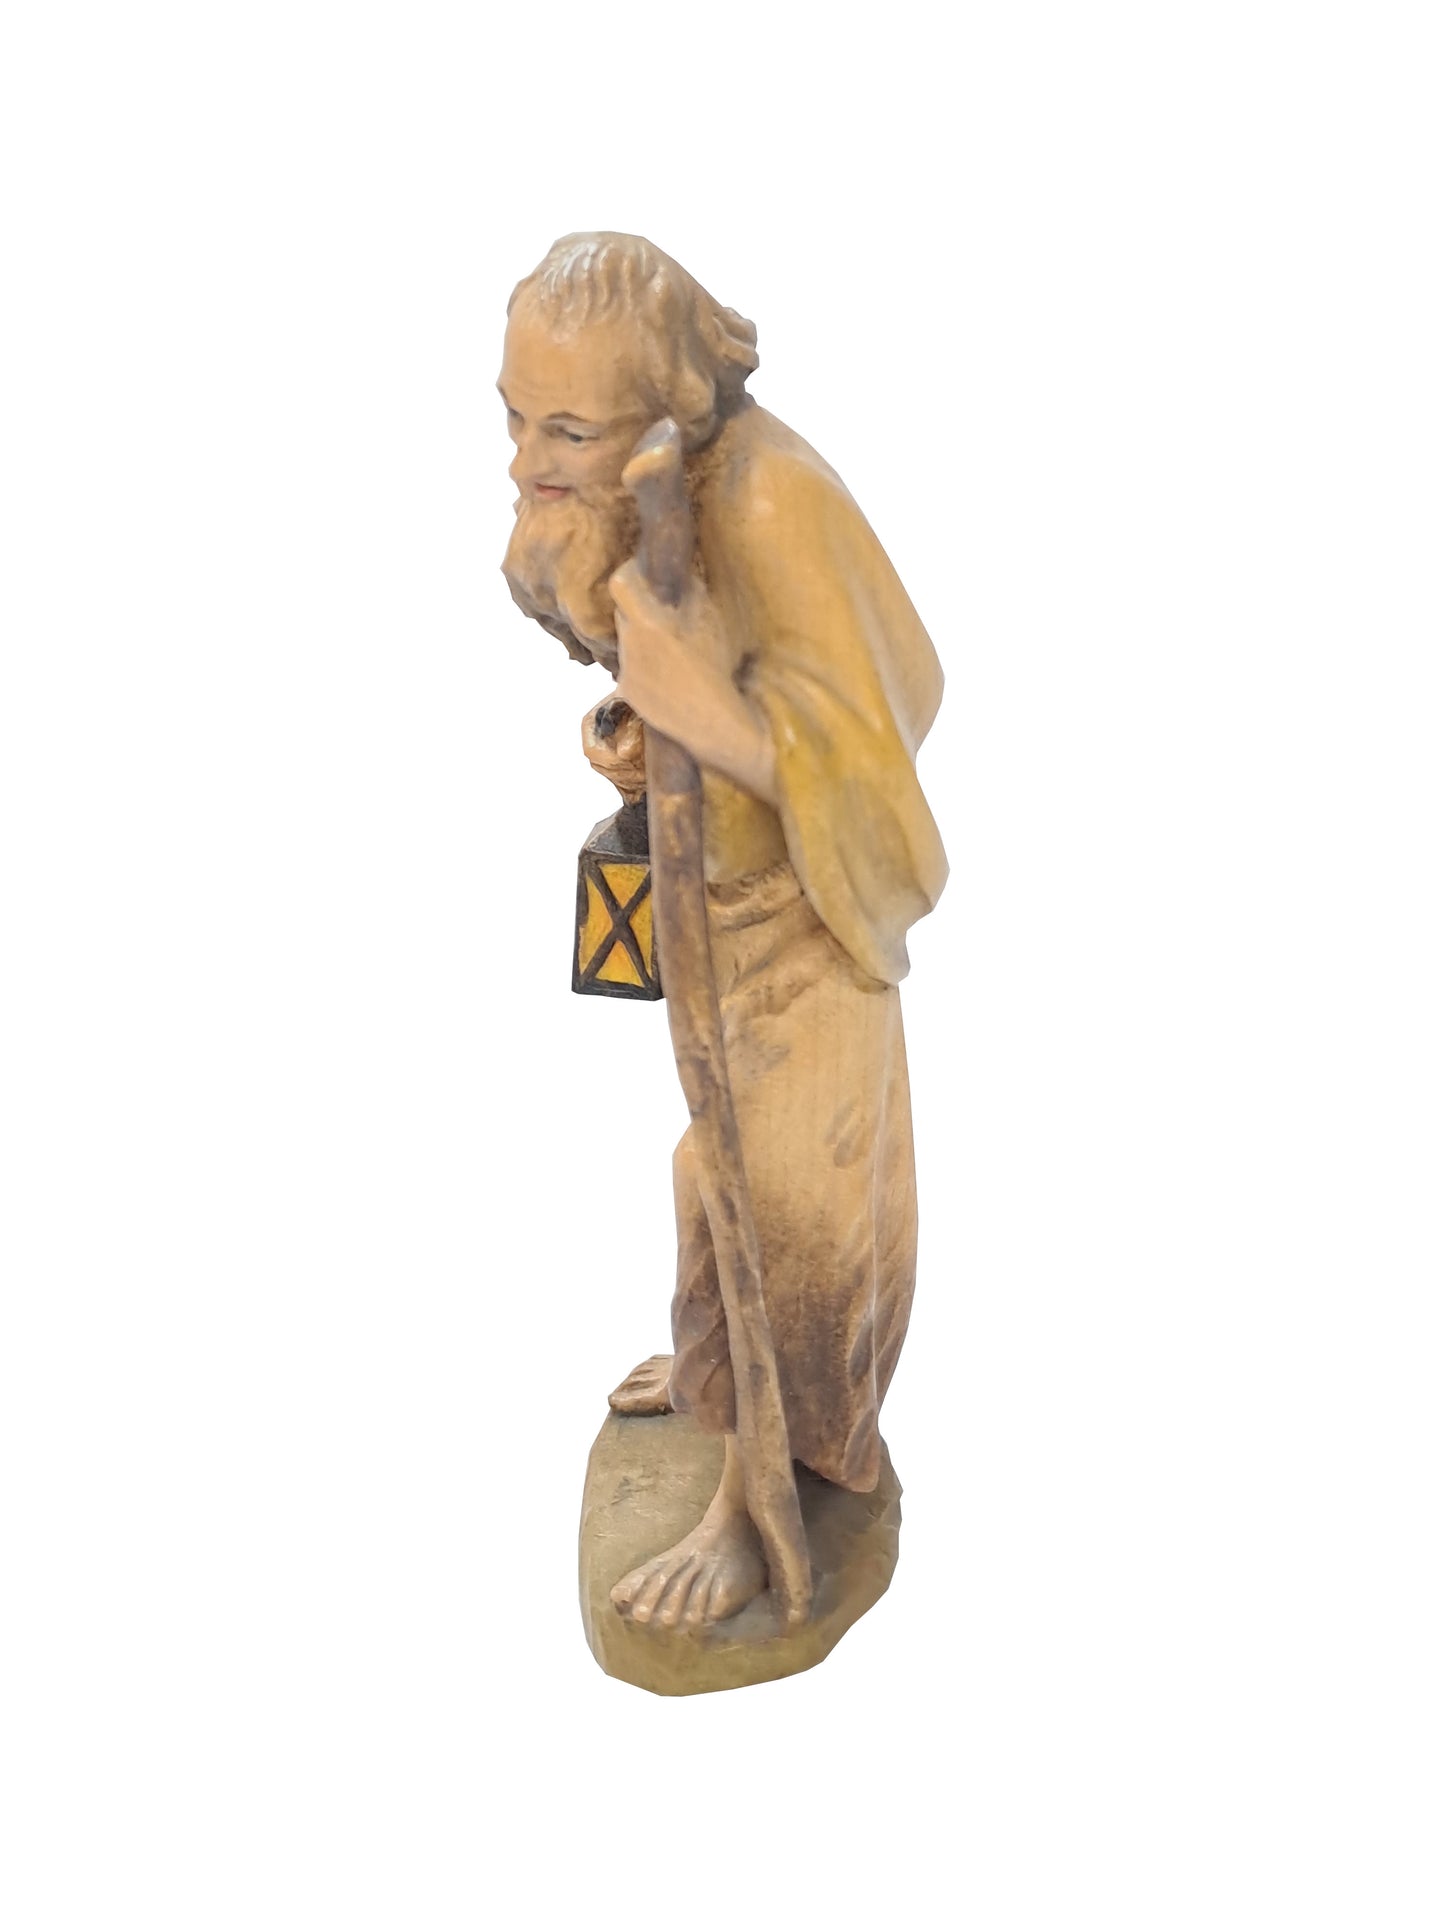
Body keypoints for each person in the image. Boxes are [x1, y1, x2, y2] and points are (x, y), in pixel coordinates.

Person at [501, 233, 947, 1630]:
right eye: (513, 419)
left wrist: (718, 719)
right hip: (707, 911)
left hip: (803, 932)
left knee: (794, 1218)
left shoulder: (769, 497)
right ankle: (717, 1382)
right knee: (710, 1171)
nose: (528, 459)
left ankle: (773, 1500)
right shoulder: (636, 494)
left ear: (663, 411)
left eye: (565, 430)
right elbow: (648, 654)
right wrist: (646, 729)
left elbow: (888, 722)